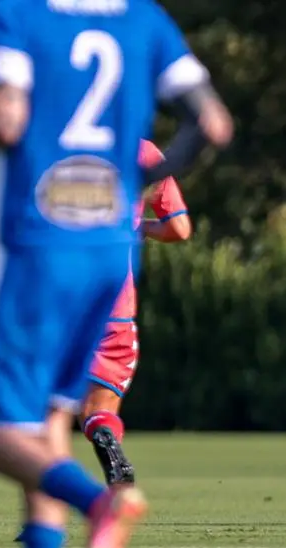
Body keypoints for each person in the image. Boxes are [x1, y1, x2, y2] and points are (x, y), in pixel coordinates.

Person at [0, 1, 233, 548]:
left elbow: (7, 119)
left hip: (38, 241)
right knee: (49, 419)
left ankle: (99, 503)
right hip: (110, 256)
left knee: (8, 427)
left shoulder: (20, 15)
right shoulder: (144, 20)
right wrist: (136, 185)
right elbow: (212, 124)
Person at [82, 139, 191, 486]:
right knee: (98, 413)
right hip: (113, 305)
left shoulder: (47, 133)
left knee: (39, 417)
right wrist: (137, 226)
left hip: (51, 298)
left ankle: (40, 521)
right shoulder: (142, 150)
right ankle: (105, 443)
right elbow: (179, 228)